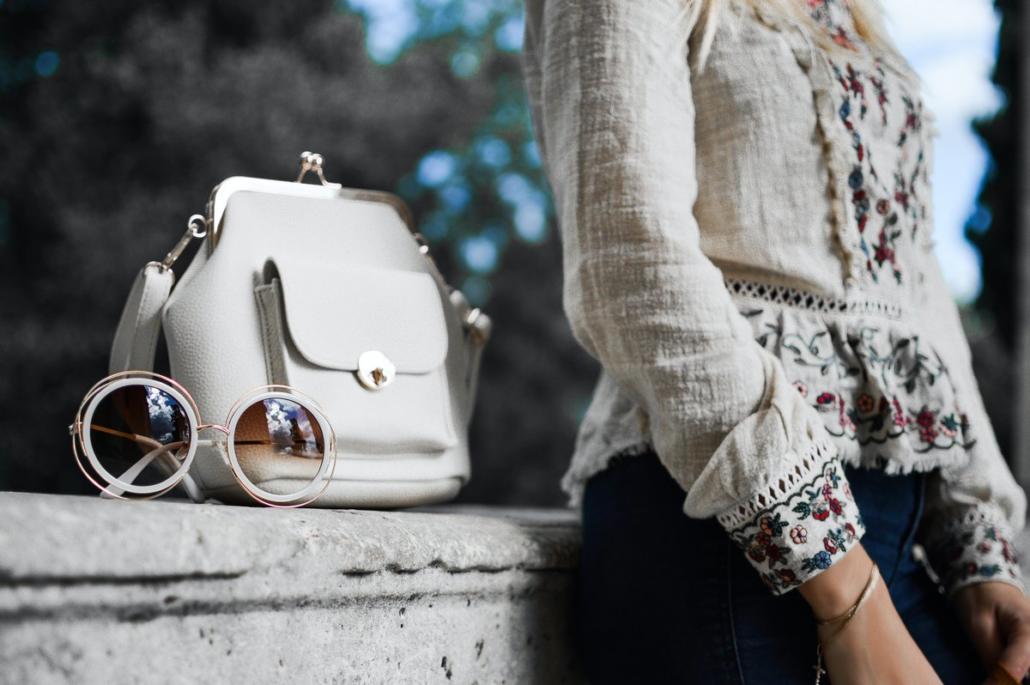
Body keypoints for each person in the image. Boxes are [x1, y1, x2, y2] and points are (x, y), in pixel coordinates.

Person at [519, 0, 1030, 682]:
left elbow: (912, 287)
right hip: (725, 539)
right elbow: (629, 257)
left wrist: (978, 553)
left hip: (892, 551)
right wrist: (848, 595)